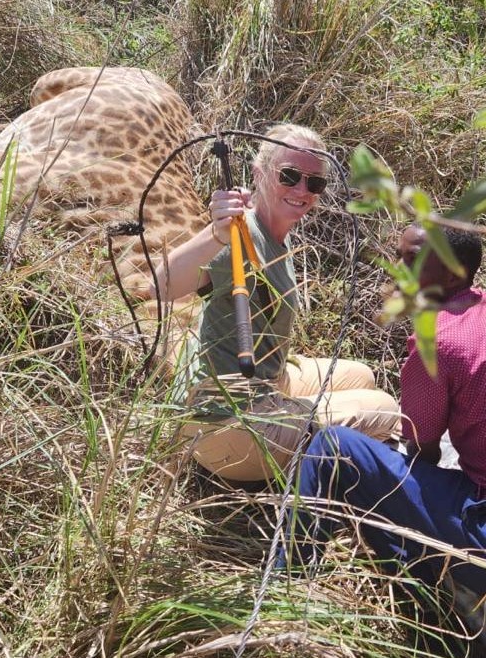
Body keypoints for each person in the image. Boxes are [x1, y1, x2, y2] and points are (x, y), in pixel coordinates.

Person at [279, 224, 486, 611]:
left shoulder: (436, 340)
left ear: (454, 273)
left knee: (332, 447)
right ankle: (421, 587)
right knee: (386, 473)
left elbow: (421, 446)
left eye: (412, 260)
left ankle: (284, 588)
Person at [147, 123, 400, 482]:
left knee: (363, 375)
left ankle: (295, 420)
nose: (302, 190)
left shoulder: (276, 235)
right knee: (387, 411)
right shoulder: (240, 231)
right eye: (290, 175)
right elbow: (162, 286)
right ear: (258, 172)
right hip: (230, 426)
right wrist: (216, 233)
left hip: (266, 381)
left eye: (314, 183)